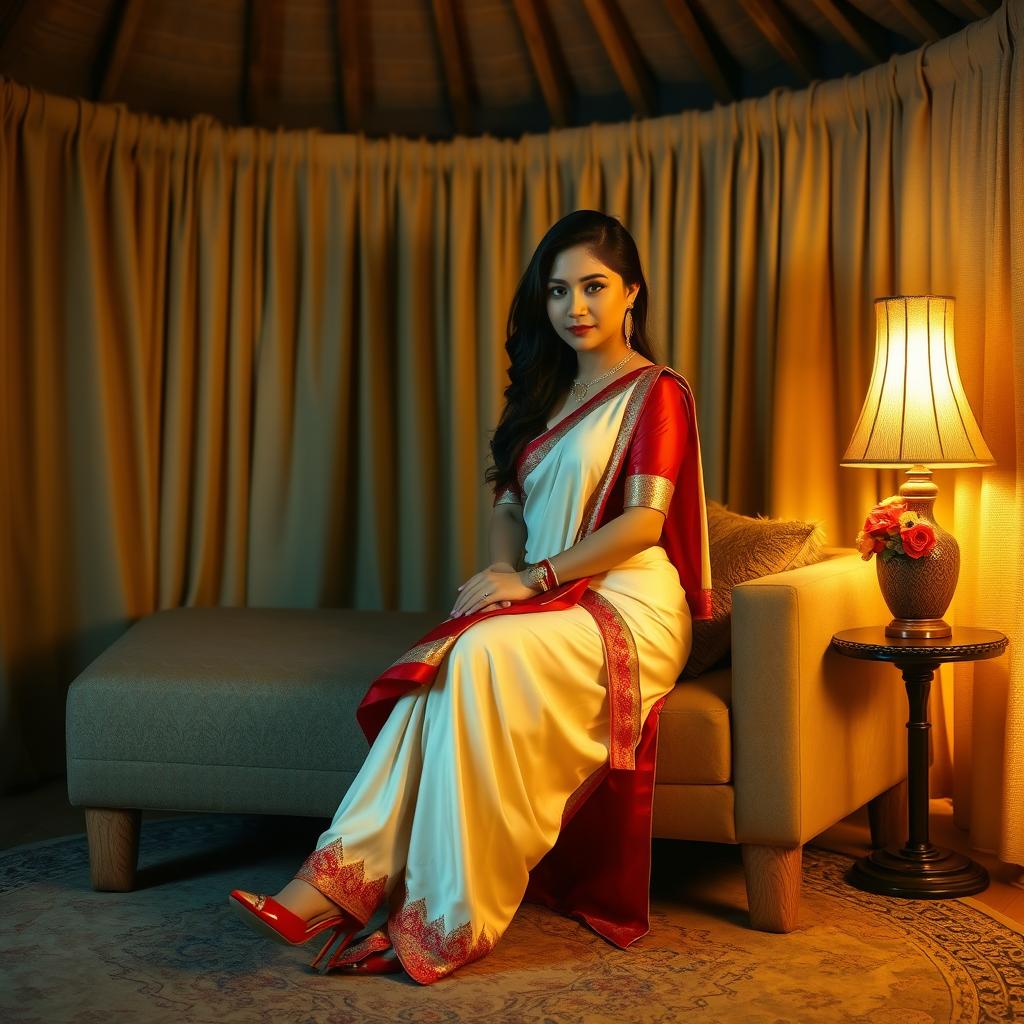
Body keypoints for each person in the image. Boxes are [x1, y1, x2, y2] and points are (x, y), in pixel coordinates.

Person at [228, 209, 712, 984]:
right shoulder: (547, 393)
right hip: (554, 598)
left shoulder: (656, 393)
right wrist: (496, 579)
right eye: (558, 292)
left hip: (629, 605)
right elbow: (510, 506)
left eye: (594, 287)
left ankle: (445, 916)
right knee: (452, 663)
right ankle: (330, 883)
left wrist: (531, 581)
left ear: (632, 294)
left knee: (477, 652)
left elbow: (644, 525)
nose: (575, 308)